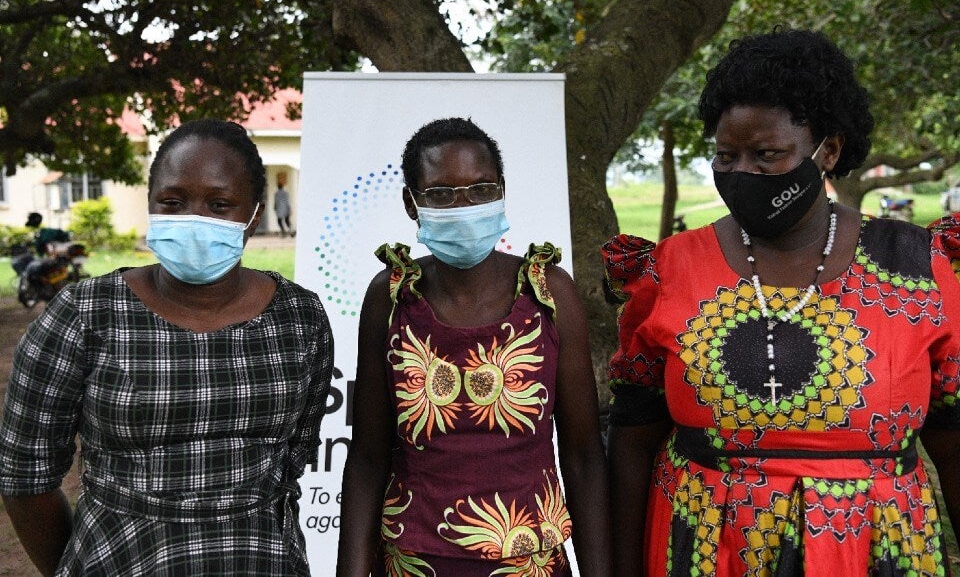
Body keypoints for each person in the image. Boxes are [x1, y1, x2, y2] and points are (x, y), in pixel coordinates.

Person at [603, 29, 960, 575]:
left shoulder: (916, 266)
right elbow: (632, 440)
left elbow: (953, 437)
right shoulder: (671, 269)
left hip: (873, 551)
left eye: (767, 155)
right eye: (726, 156)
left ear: (828, 151)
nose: (742, 173)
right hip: (707, 550)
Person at [0, 119, 334, 576]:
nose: (194, 220)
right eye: (173, 202)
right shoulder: (84, 314)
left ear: (254, 215)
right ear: (151, 204)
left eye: (220, 204)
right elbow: (25, 476)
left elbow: (293, 461)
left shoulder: (300, 317)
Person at [337, 117, 612, 576]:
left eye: (481, 189)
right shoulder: (390, 297)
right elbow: (367, 457)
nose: (464, 206)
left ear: (502, 191)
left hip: (531, 564)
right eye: (441, 194)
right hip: (413, 562)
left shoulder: (549, 293)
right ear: (412, 203)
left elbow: (583, 455)